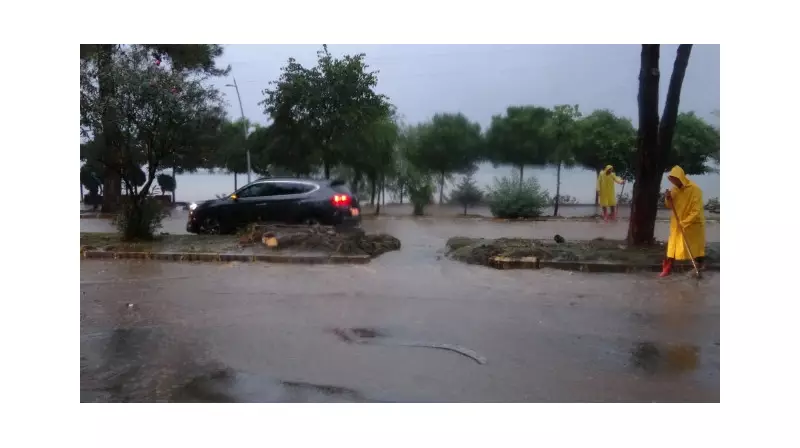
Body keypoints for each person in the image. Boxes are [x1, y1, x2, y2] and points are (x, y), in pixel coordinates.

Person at [659, 165, 706, 277]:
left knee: (695, 248)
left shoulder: (695, 190)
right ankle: (667, 268)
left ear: (680, 177)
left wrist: (684, 222)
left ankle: (699, 266)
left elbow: (696, 210)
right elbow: (669, 205)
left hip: (693, 225)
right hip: (677, 223)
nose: (674, 182)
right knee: (672, 247)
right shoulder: (674, 190)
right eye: (672, 180)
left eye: (675, 179)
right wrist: (668, 198)